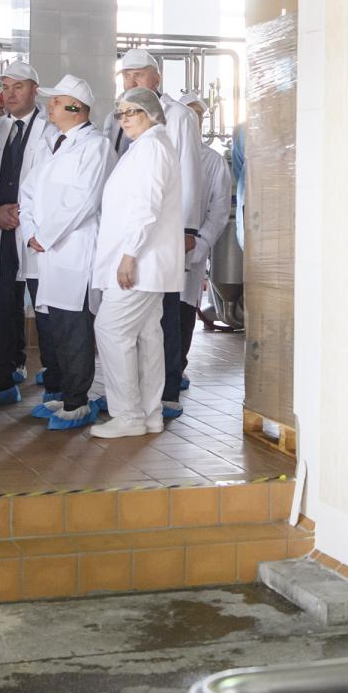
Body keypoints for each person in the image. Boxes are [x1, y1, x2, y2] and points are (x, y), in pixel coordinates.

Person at [101, 47, 204, 420]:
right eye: (126, 75)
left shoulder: (175, 117)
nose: (131, 80)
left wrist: (187, 228)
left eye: (139, 74)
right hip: (135, 236)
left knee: (158, 321)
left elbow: (187, 172)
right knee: (145, 329)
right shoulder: (121, 119)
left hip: (157, 237)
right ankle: (143, 402)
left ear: (156, 78)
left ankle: (163, 395)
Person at [92, 87, 184, 439]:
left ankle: (128, 415)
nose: (124, 119)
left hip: (140, 263)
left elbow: (147, 206)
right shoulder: (147, 147)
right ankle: (149, 413)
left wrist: (129, 255)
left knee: (111, 329)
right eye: (121, 113)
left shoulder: (151, 148)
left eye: (132, 112)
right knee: (147, 335)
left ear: (152, 113)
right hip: (146, 262)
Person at [20, 74, 109, 431]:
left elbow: (83, 200)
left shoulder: (95, 146)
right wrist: (31, 233)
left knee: (74, 328)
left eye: (56, 101)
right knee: (55, 326)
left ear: (75, 107)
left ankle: (77, 401)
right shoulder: (53, 143)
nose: (49, 106)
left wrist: (46, 235)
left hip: (74, 251)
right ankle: (64, 392)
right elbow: (28, 191)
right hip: (48, 252)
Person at [0, 60, 56, 407]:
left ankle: (55, 379)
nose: (10, 94)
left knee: (46, 307)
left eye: (18, 87)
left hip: (36, 231)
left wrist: (26, 215)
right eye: (5, 88)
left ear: (35, 90)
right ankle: (3, 376)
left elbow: (56, 184)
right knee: (0, 305)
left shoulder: (52, 130)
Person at [177, 92, 234, 385]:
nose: (192, 121)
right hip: (160, 250)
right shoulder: (163, 151)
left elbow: (220, 208)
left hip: (191, 250)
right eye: (187, 115)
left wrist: (201, 242)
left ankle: (176, 370)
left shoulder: (212, 161)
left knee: (183, 310)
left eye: (197, 116)